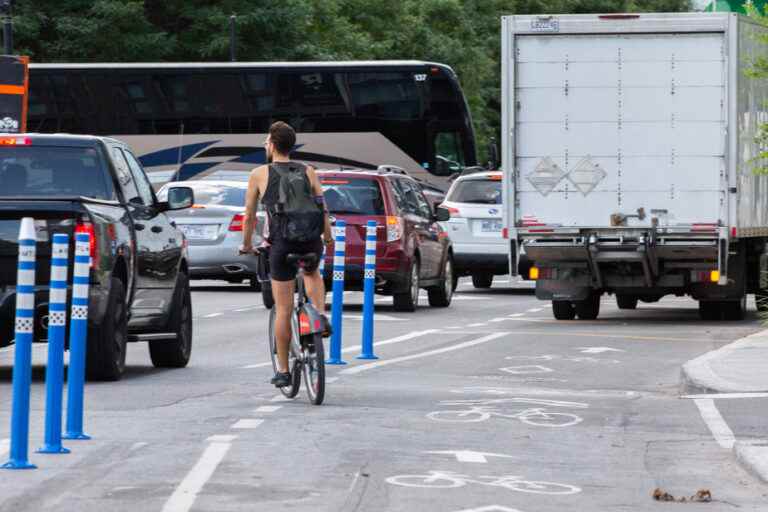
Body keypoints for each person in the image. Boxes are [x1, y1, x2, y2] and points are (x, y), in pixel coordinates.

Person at [240, 121, 333, 388]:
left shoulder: (259, 173)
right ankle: (318, 314)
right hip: (311, 241)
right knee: (312, 272)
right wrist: (327, 237)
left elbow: (248, 216)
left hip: (281, 244)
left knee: (283, 308)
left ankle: (282, 370)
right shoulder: (309, 171)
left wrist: (246, 244)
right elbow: (322, 209)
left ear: (271, 145)